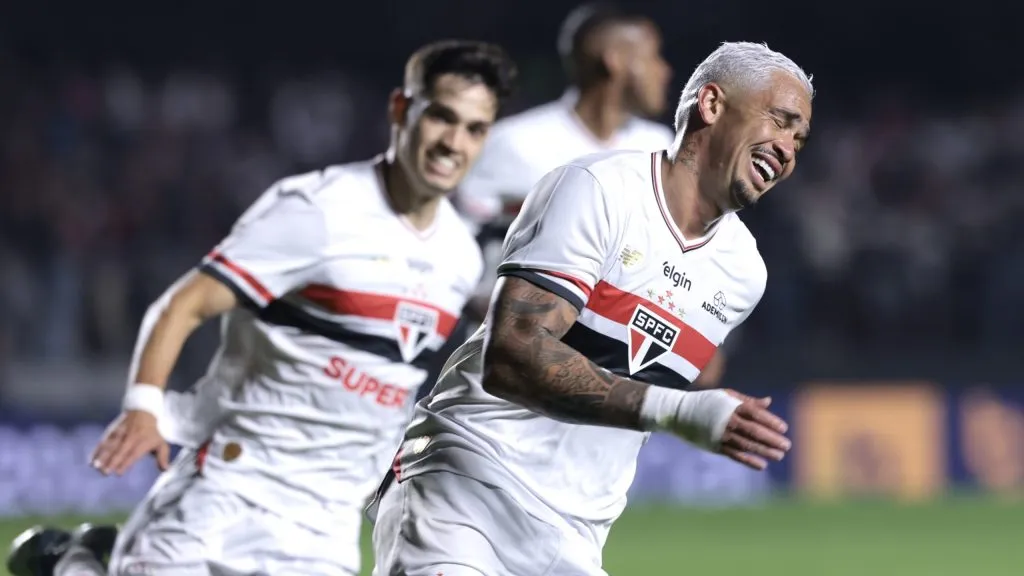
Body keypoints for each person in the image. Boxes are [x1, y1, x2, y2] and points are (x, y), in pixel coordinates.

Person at [7, 39, 517, 576]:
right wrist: (142, 405)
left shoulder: (459, 255)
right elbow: (184, 304)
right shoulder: (318, 209)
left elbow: (391, 373)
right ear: (399, 109)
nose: (453, 142)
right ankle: (71, 564)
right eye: (441, 117)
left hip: (327, 523)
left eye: (474, 129)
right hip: (231, 488)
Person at [370, 41, 813, 576]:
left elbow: (642, 366)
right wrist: (680, 410)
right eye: (780, 121)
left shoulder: (744, 272)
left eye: (799, 137)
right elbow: (511, 356)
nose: (788, 147)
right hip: (466, 488)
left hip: (576, 535)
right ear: (712, 105)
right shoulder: (597, 189)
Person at [456, 3, 727, 386]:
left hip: (611, 380)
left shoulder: (660, 148)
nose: (665, 70)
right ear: (614, 61)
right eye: (652, 56)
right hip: (507, 376)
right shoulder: (515, 144)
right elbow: (455, 251)